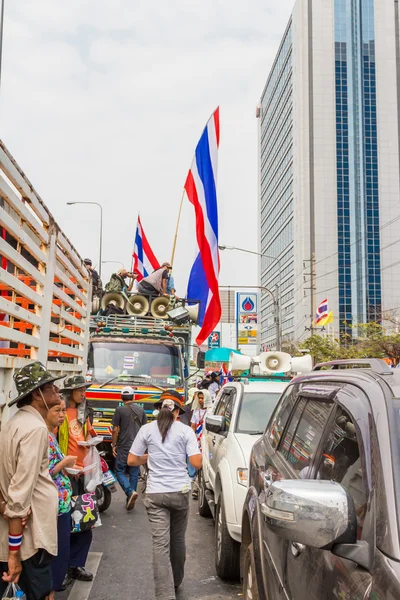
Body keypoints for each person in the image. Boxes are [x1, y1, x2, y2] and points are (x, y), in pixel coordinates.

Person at [128, 390, 202, 600]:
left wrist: (149, 458)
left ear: (159, 409)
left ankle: (165, 595)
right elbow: (196, 463)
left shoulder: (146, 430)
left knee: (160, 546)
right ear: (177, 411)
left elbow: (132, 461)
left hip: (155, 493)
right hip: (180, 492)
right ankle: (177, 580)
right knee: (178, 540)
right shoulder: (185, 431)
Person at [0, 362, 63, 600]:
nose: (57, 393)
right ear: (38, 394)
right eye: (52, 388)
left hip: (13, 530)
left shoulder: (11, 423)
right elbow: (21, 489)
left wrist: (4, 507)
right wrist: (14, 553)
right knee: (41, 593)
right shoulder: (36, 429)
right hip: (30, 536)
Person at [58, 375, 95, 584]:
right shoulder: (60, 413)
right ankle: (61, 569)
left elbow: (89, 434)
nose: (83, 393)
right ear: (70, 392)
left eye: (84, 389)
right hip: (66, 476)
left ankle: (76, 565)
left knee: (84, 521)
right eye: (80, 390)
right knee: (65, 524)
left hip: (83, 475)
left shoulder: (83, 412)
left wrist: (92, 442)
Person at [46, 398, 76, 593]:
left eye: (63, 411)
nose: (62, 415)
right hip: (55, 503)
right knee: (57, 550)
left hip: (61, 501)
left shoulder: (50, 434)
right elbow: (47, 471)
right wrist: (65, 462)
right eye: (57, 410)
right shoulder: (44, 437)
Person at [112, 386, 147, 510]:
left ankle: (129, 492)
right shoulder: (141, 410)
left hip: (124, 445)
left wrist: (113, 444)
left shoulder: (119, 410)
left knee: (119, 471)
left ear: (121, 397)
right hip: (138, 446)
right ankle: (130, 497)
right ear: (133, 397)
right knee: (133, 472)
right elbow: (145, 429)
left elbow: (115, 430)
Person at [190, 391, 208, 500]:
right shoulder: (196, 412)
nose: (200, 400)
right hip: (198, 440)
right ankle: (197, 486)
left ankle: (197, 486)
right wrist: (192, 439)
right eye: (199, 398)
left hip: (208, 441)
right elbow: (193, 426)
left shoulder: (211, 411)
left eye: (202, 398)